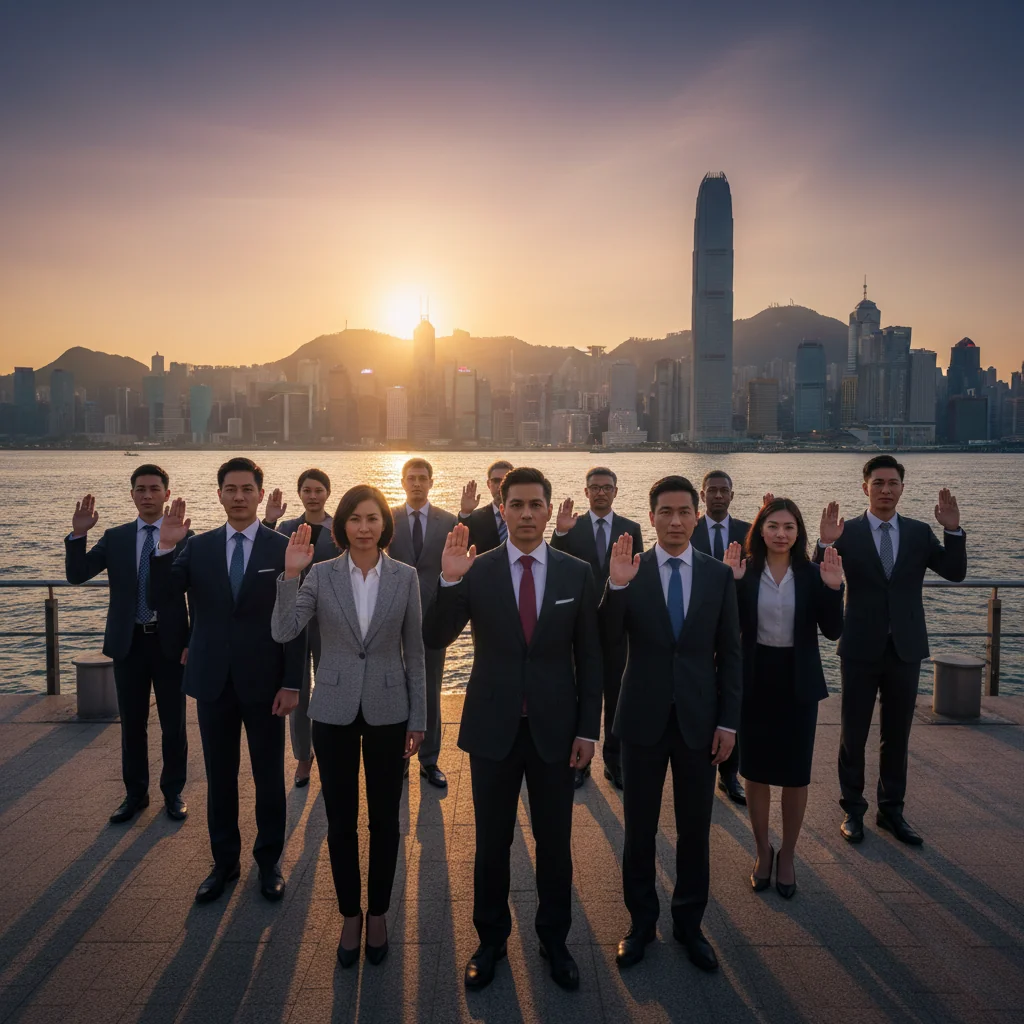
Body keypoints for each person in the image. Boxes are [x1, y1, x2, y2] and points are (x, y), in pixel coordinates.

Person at [423, 467, 602, 992]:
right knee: (491, 842)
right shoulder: (478, 570)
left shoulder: (576, 573)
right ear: (500, 511)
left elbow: (589, 659)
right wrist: (449, 578)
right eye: (515, 505)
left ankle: (554, 939)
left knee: (554, 842)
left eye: (535, 505)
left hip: (555, 731)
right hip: (493, 728)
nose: (526, 514)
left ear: (549, 511)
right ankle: (490, 939)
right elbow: (437, 634)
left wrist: (588, 731)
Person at [272, 485, 426, 968]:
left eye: (373, 518)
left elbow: (416, 654)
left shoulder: (405, 577)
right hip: (333, 710)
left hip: (388, 709)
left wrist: (419, 718)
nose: (364, 527)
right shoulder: (319, 574)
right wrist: (289, 577)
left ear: (384, 525)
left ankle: (378, 912)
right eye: (356, 519)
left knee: (385, 820)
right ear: (342, 525)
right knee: (339, 821)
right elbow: (284, 630)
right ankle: (349, 915)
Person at [149, 457, 306, 904]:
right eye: (230, 489)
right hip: (212, 679)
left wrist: (293, 681)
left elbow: (295, 621)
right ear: (218, 494)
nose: (238, 497)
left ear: (260, 494)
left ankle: (269, 861)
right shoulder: (195, 547)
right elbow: (162, 598)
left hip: (266, 683)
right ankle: (224, 863)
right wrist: (163, 548)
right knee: (219, 777)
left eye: (246, 489)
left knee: (268, 777)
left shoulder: (282, 549)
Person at [601, 475, 741, 972]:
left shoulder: (717, 576)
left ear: (697, 516)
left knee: (695, 831)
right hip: (641, 719)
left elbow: (732, 655)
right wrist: (615, 587)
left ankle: (689, 924)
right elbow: (606, 640)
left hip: (700, 723)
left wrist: (729, 723)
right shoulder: (630, 571)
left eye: (685, 512)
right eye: (666, 512)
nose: (676, 521)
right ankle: (641, 923)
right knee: (638, 829)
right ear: (652, 516)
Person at [817, 455, 966, 847]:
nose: (885, 490)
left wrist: (953, 531)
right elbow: (819, 578)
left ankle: (891, 810)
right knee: (854, 732)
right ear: (864, 487)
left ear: (902, 488)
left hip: (906, 647)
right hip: (860, 647)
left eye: (893, 483)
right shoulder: (846, 532)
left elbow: (954, 571)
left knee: (897, 734)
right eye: (878, 483)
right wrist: (823, 543)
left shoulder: (918, 533)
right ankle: (853, 808)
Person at [723, 499, 844, 899]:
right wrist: (734, 583)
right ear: (760, 529)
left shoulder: (812, 574)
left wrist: (833, 589)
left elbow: (832, 630)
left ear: (798, 533)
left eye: (789, 527)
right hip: (755, 681)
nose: (780, 534)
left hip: (798, 681)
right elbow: (733, 629)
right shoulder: (746, 571)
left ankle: (788, 854)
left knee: (795, 775)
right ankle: (762, 850)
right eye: (773, 526)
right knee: (755, 772)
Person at [64, 465, 190, 824]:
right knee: (132, 723)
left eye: (154, 489)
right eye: (140, 489)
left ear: (167, 493)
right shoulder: (116, 537)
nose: (147, 495)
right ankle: (135, 794)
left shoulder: (185, 536)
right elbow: (77, 575)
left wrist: (192, 641)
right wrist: (78, 535)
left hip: (169, 643)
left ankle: (173, 792)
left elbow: (198, 594)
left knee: (174, 724)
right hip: (128, 642)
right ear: (132, 494)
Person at [551, 466, 644, 789]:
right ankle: (580, 761)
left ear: (616, 491)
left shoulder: (630, 528)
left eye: (607, 487)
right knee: (579, 692)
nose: (601, 492)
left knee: (618, 694)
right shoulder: (571, 528)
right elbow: (554, 565)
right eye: (595, 487)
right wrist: (560, 533)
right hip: (579, 623)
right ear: (586, 491)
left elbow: (637, 576)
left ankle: (614, 761)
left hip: (618, 626)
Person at [263, 468, 336, 787]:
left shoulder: (340, 529)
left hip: (330, 619)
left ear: (327, 493)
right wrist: (268, 521)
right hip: (294, 618)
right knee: (297, 688)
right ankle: (303, 757)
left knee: (330, 687)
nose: (313, 495)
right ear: (300, 493)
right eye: (307, 490)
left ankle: (330, 753)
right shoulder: (287, 528)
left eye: (318, 490)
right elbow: (263, 555)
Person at [387, 457, 457, 788]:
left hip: (433, 617)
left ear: (431, 482)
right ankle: (398, 758)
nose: (417, 483)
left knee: (430, 689)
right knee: (394, 688)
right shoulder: (386, 518)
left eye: (422, 478)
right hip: (392, 617)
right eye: (411, 478)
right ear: (402, 482)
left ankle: (430, 760)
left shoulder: (449, 521)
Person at [690, 469, 752, 806]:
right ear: (702, 495)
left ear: (731, 495)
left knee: (732, 698)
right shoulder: (687, 527)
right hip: (693, 629)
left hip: (735, 628)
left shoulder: (747, 532)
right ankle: (699, 764)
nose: (717, 495)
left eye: (723, 490)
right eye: (711, 490)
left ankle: (730, 775)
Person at [457, 459, 514, 553]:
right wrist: (465, 513)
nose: (500, 486)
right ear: (488, 484)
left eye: (505, 480)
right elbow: (460, 547)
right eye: (496, 481)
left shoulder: (524, 514)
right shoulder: (476, 518)